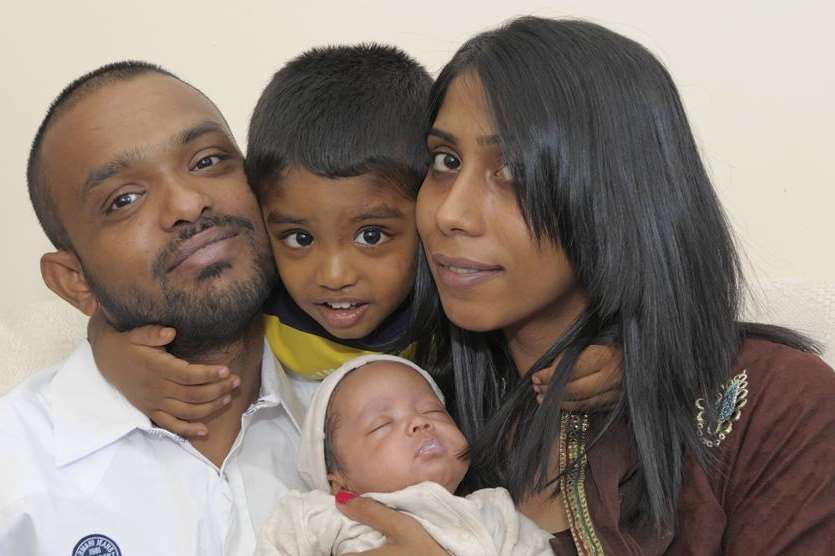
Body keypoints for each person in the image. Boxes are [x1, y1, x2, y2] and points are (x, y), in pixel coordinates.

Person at [335, 16, 835, 555]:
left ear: (620, 191)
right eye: (445, 160)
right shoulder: (419, 411)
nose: (449, 212)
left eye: (514, 171)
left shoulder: (773, 404)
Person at [88, 44, 623, 438]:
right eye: (298, 236)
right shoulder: (264, 292)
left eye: (371, 235)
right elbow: (152, 316)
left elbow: (619, 309)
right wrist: (111, 354)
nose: (334, 274)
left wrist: (622, 365)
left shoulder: (454, 305)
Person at [0, 62, 317, 555]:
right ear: (75, 281)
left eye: (208, 161)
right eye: (124, 198)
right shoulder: (13, 468)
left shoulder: (379, 415)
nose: (188, 204)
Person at [256, 354, 553, 556]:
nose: (420, 422)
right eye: (382, 424)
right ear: (339, 482)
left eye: (433, 411)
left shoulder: (495, 512)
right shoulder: (322, 517)